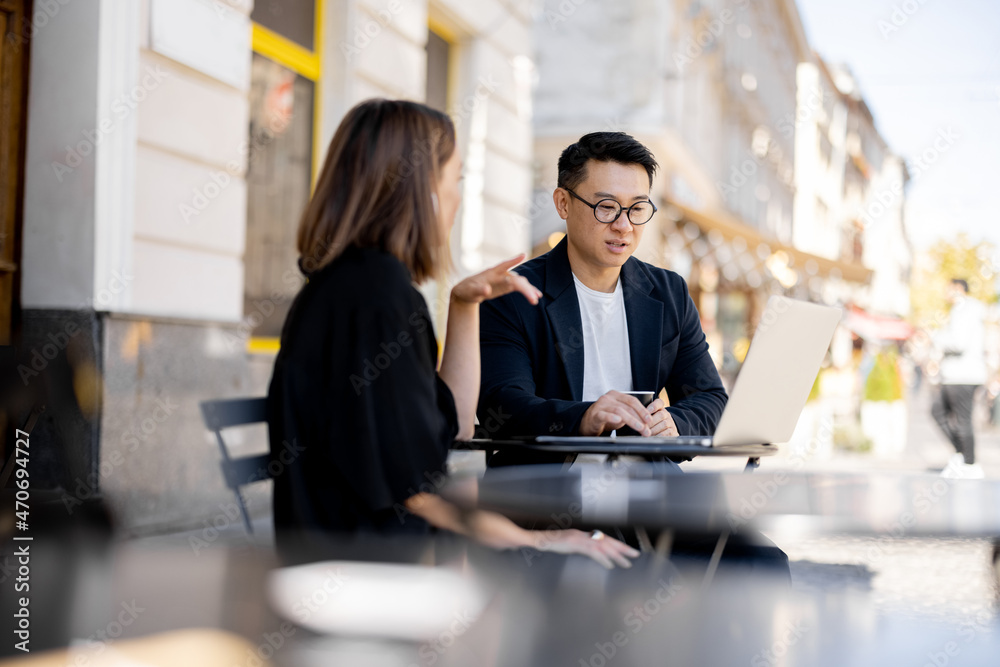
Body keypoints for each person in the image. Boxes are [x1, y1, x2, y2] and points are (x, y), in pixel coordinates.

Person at [265, 99, 638, 568]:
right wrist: (541, 540)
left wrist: (464, 305)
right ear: (418, 189)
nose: (458, 197)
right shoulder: (378, 299)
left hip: (340, 559)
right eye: (454, 179)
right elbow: (414, 492)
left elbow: (454, 429)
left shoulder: (354, 286)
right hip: (371, 573)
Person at [478, 131, 728, 466]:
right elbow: (501, 406)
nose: (624, 226)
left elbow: (710, 398)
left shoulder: (669, 292)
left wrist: (676, 424)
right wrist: (584, 418)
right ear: (563, 203)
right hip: (542, 501)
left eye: (637, 208)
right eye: (606, 207)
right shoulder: (515, 293)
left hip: (646, 500)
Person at [932, 278, 988, 479]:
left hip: (963, 375)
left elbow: (958, 342)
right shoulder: (962, 310)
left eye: (948, 289)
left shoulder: (964, 310)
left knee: (963, 420)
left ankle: (970, 464)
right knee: (937, 410)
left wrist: (936, 337)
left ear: (958, 289)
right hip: (956, 375)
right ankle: (962, 455)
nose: (945, 294)